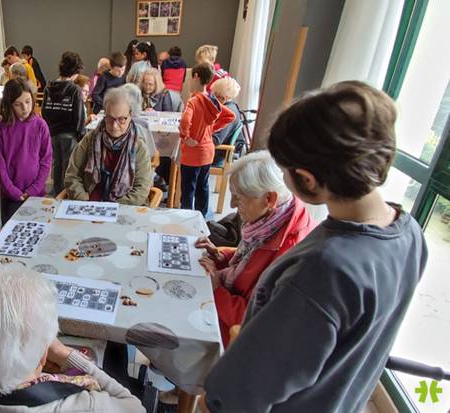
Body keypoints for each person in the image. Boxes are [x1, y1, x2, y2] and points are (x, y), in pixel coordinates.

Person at [202, 81, 428, 413]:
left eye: (285, 169)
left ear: (307, 179)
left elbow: (239, 391)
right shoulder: (409, 231)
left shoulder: (324, 269)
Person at [0, 266, 146, 412]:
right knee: (114, 352)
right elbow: (135, 406)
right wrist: (68, 355)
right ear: (42, 357)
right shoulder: (86, 406)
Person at [195, 151, 315, 348]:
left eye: (238, 198)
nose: (232, 205)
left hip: (238, 338)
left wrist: (217, 290)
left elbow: (257, 318)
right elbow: (249, 263)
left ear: (269, 199)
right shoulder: (272, 221)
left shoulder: (290, 251)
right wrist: (220, 255)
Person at [64, 87, 153, 205]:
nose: (115, 126)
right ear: (105, 115)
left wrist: (114, 208)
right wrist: (84, 200)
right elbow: (72, 175)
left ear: (130, 115)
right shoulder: (90, 139)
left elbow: (141, 189)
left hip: (123, 206)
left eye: (121, 119)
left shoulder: (138, 146)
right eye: (110, 118)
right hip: (89, 203)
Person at [179, 63, 235, 219]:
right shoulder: (213, 100)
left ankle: (186, 217)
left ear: (196, 77)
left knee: (188, 188)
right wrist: (211, 128)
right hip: (207, 151)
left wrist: (186, 137)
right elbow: (230, 116)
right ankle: (202, 216)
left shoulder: (194, 101)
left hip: (192, 154)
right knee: (203, 186)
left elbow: (185, 121)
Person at [0, 79, 52, 223]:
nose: (25, 108)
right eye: (18, 104)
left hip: (36, 193)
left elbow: (46, 160)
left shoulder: (40, 125)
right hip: (11, 195)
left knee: (37, 229)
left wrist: (35, 188)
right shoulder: (1, 129)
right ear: (9, 105)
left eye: (27, 101)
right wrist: (13, 192)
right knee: (11, 234)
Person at [42, 51, 86, 196]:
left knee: (57, 165)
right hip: (69, 135)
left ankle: (56, 192)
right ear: (75, 71)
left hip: (52, 133)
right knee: (68, 167)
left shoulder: (48, 88)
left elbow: (44, 112)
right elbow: (78, 116)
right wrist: (82, 136)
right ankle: (65, 194)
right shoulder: (75, 90)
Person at [210, 77, 243, 146]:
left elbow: (216, 140)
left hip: (218, 153)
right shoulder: (232, 106)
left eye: (215, 95)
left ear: (225, 97)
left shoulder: (228, 113)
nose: (212, 99)